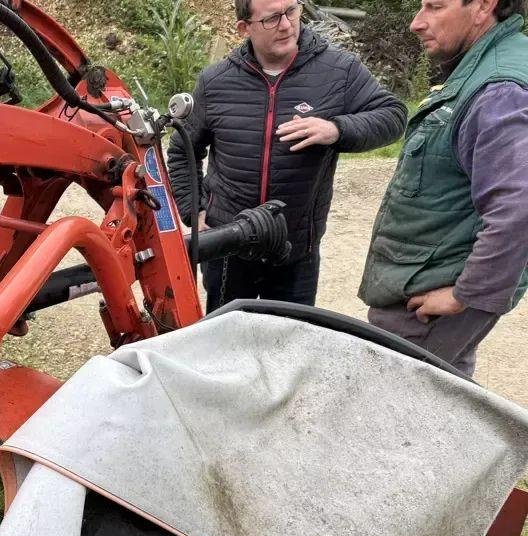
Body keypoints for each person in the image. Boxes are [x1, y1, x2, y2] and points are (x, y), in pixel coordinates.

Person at [169, 0, 406, 311]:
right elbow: (182, 150)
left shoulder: (338, 70)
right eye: (271, 19)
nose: (286, 25)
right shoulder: (216, 82)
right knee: (225, 343)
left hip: (296, 250)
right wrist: (194, 213)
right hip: (228, 245)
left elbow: (393, 116)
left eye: (292, 11)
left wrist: (336, 129)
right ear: (244, 28)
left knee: (287, 343)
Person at [360, 0, 528, 377]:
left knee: (387, 404)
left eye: (435, 6)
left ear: (483, 6)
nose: (416, 23)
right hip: (427, 282)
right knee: (446, 397)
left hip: (427, 301)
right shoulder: (486, 69)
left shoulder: (500, 90)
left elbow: (518, 209)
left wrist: (464, 294)